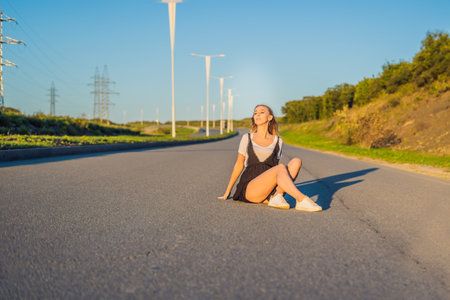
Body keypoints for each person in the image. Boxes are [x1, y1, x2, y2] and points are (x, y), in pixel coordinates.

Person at [218, 104, 322, 212]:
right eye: (255, 113)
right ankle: (301, 199)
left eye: (262, 112)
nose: (257, 115)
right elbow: (239, 164)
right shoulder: (247, 138)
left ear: (270, 117)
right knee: (280, 167)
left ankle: (277, 196)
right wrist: (228, 191)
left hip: (269, 190)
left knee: (296, 161)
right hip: (251, 188)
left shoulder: (278, 141)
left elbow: (275, 168)